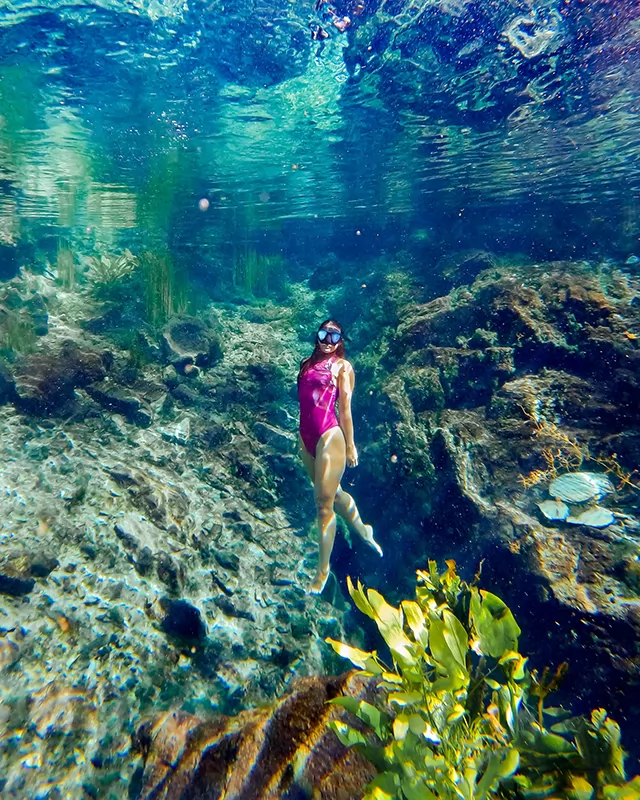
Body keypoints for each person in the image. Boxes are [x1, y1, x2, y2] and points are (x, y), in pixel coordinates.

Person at [297, 320, 382, 594]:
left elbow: (345, 409)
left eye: (334, 336)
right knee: (332, 495)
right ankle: (363, 528)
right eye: (323, 334)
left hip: (329, 436)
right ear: (317, 335)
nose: (328, 340)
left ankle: (322, 572)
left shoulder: (343, 368)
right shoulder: (305, 363)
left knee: (323, 504)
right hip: (305, 438)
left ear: (341, 340)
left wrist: (350, 446)